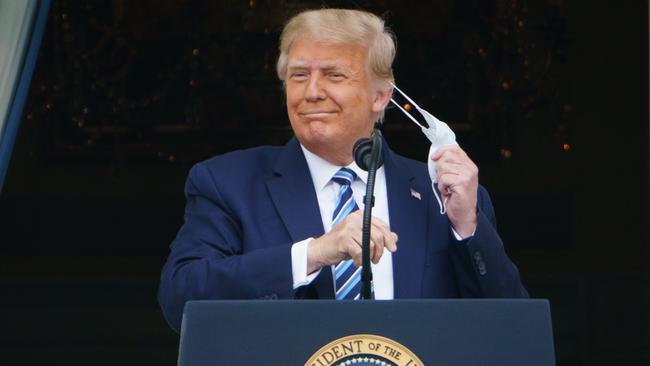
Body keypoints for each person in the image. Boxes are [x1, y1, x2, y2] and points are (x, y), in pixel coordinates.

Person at [158, 8, 528, 332]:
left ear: (381, 95)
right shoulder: (228, 182)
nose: (312, 92)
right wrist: (314, 253)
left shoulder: (442, 194)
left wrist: (467, 228)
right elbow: (182, 298)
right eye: (299, 76)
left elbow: (512, 329)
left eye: (334, 75)